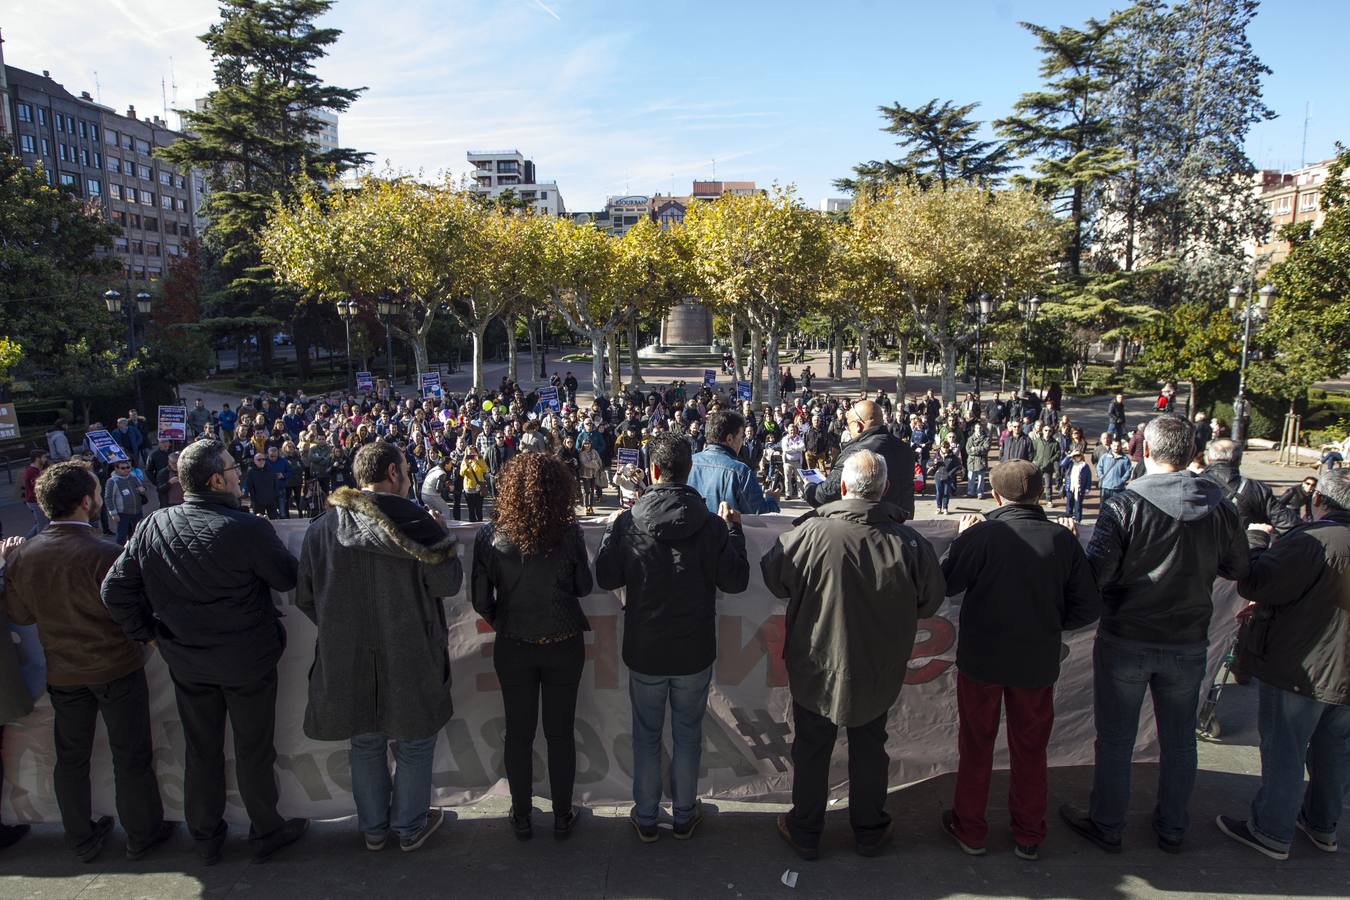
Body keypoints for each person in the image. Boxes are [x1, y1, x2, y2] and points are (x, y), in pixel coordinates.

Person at [102, 439, 308, 865]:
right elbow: (289, 579)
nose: (238, 474)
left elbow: (115, 590)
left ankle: (206, 836)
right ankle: (266, 831)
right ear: (217, 479)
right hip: (246, 662)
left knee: (202, 750)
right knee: (253, 750)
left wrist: (151, 634)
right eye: (233, 468)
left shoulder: (155, 524)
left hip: (190, 661)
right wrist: (149, 632)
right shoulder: (247, 529)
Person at [1061, 415, 1249, 854]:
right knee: (1179, 740)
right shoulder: (1220, 506)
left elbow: (1097, 575)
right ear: (1191, 455)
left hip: (1127, 636)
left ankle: (1108, 823)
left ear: (1145, 451)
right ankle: (1173, 827)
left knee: (1116, 739)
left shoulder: (1125, 504)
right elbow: (1239, 567)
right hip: (1187, 640)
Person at [761, 450, 945, 860]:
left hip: (817, 663)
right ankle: (869, 830)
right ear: (883, 490)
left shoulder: (809, 533)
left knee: (812, 746)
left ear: (843, 488)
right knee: (869, 746)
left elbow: (774, 577)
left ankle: (806, 829)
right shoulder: (908, 542)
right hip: (876, 666)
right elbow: (931, 600)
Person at [3, 462, 175, 862]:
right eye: (97, 492)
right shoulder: (105, 553)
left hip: (63, 673)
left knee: (71, 758)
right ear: (86, 502)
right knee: (130, 754)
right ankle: (142, 833)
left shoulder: (26, 555)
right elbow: (134, 610)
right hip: (116, 668)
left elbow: (20, 614)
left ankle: (80, 836)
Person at [297, 441, 461, 853]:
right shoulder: (418, 525)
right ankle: (409, 827)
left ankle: (373, 830)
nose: (409, 476)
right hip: (410, 651)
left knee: (365, 741)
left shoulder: (321, 528)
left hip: (345, 656)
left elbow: (304, 595)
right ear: (392, 473)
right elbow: (447, 585)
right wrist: (440, 537)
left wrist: (340, 628)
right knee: (414, 742)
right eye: (406, 468)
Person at [939, 461, 1099, 860]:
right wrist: (1048, 623)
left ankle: (971, 829)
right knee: (1030, 748)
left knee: (976, 745)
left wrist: (962, 541)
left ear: (995, 496)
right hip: (1035, 661)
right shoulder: (1061, 540)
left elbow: (944, 585)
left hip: (983, 660)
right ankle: (1029, 833)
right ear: (1040, 495)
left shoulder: (983, 536)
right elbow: (1087, 607)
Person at [595, 433, 749, 842]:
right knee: (687, 734)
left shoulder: (628, 523)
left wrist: (613, 534)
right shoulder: (712, 525)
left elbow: (606, 577)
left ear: (653, 472)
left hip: (646, 648)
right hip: (692, 649)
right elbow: (736, 581)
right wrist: (735, 532)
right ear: (687, 472)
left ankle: (647, 816)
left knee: (647, 735)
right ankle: (684, 813)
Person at [1215, 469, 1350, 860]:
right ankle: (1322, 825)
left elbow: (1256, 582)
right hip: (1337, 671)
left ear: (1319, 501)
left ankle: (1272, 830)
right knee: (1334, 752)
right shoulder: (1318, 542)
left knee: (1286, 751)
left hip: (1302, 666)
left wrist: (1256, 541)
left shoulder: (1313, 541)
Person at [472, 453, 593, 841]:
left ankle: (522, 815)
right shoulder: (568, 531)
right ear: (558, 489)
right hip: (561, 642)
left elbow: (480, 599)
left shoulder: (491, 534)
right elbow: (583, 587)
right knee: (560, 733)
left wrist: (505, 617)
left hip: (515, 644)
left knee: (518, 733)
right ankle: (561, 816)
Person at [805, 400, 916, 520]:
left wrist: (809, 487)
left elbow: (825, 495)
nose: (848, 429)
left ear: (858, 425)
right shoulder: (905, 449)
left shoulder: (855, 453)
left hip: (867, 524)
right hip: (902, 522)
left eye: (849, 424)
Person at [686, 409, 780, 515]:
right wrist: (773, 500)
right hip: (724, 530)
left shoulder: (688, 463)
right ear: (730, 439)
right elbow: (760, 515)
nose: (742, 441)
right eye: (741, 436)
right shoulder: (740, 471)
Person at [1201, 438, 1300, 536]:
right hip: (1245, 548)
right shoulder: (1257, 489)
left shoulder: (1190, 484)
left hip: (1199, 549)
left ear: (1208, 459)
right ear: (1239, 460)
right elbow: (1289, 525)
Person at [103, 459, 147, 545]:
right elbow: (108, 498)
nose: (126, 469)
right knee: (122, 536)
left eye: (128, 467)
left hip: (137, 511)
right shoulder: (112, 481)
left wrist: (143, 490)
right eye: (123, 468)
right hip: (123, 513)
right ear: (116, 469)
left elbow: (143, 488)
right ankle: (119, 554)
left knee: (138, 533)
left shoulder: (133, 477)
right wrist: (113, 513)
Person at [22, 451, 49, 537]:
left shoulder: (35, 470)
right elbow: (37, 486)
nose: (45, 459)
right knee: (42, 525)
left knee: (41, 522)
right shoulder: (32, 471)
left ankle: (26, 541)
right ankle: (37, 545)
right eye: (44, 457)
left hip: (35, 500)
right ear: (38, 458)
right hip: (34, 501)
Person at [1096, 439, 1132, 503]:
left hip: (1118, 488)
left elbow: (1128, 471)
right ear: (1111, 446)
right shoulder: (1104, 457)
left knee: (1116, 507)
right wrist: (1101, 477)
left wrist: (1121, 481)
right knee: (1104, 506)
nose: (1116, 448)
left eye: (1118, 446)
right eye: (1114, 446)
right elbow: (1099, 468)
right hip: (1105, 487)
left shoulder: (1125, 459)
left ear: (1121, 446)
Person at [459, 446, 488, 522]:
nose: (471, 453)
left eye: (473, 452)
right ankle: (472, 525)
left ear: (476, 452)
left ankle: (480, 524)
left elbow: (485, 469)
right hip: (469, 487)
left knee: (479, 508)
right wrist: (466, 464)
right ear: (467, 453)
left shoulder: (480, 459)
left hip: (479, 487)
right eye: (470, 452)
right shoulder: (465, 461)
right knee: (471, 509)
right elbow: (461, 473)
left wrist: (477, 461)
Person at [1063, 450, 1093, 523]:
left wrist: (1088, 487)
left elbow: (1089, 477)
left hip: (1080, 488)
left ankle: (1078, 519)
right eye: (1075, 456)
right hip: (1070, 487)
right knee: (1069, 504)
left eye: (1078, 455)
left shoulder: (1085, 466)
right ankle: (1068, 519)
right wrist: (1069, 455)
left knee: (1078, 504)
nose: (1077, 457)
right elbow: (1062, 464)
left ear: (1081, 456)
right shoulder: (1070, 464)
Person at [965, 423, 991, 499]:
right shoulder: (970, 439)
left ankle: (980, 493)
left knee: (981, 479)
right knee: (971, 479)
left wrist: (975, 448)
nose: (978, 429)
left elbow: (986, 449)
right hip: (972, 462)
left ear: (982, 429)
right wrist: (980, 449)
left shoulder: (986, 439)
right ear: (974, 429)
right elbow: (968, 450)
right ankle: (970, 492)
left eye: (980, 428)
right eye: (977, 428)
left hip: (981, 461)